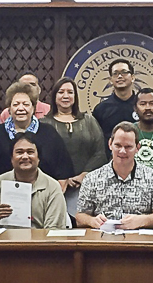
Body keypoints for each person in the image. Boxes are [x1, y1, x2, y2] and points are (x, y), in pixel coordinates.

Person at [75, 122, 153, 230]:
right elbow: (80, 217)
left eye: (128, 147)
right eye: (118, 145)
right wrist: (92, 221)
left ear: (137, 148)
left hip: (140, 242)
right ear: (110, 144)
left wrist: (142, 220)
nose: (122, 151)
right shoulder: (92, 179)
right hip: (103, 240)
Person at [0, 133, 70, 229]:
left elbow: (54, 230)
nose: (25, 157)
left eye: (30, 152)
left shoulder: (52, 186)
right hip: (3, 244)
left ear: (38, 158)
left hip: (39, 244)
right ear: (11, 159)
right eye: (19, 152)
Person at [40, 77, 107, 212]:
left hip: (87, 186)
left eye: (70, 92)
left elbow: (100, 153)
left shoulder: (89, 121)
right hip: (54, 187)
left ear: (75, 96)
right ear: (54, 96)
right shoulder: (44, 124)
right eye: (61, 92)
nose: (66, 96)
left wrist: (83, 176)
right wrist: (61, 178)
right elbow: (40, 156)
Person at [0, 82, 74, 185]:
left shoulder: (49, 133)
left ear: (33, 108)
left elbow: (63, 170)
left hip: (43, 195)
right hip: (3, 196)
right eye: (15, 104)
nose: (20, 108)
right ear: (9, 109)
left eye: (26, 104)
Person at [92, 59, 138, 150]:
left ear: (132, 77)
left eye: (124, 72)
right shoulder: (101, 109)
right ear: (110, 80)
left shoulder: (141, 106)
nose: (120, 76)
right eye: (115, 73)